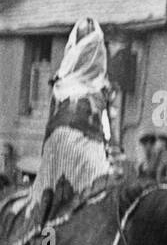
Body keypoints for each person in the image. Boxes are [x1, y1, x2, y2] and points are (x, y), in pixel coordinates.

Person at [26, 17, 113, 234]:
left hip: (77, 145)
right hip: (77, 147)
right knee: (61, 198)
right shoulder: (95, 89)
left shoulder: (67, 85)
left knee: (52, 201)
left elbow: (51, 125)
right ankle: (46, 244)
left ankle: (46, 242)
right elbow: (105, 129)